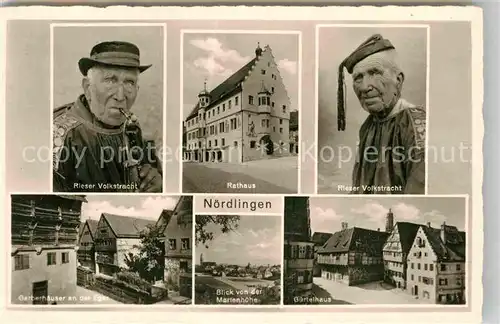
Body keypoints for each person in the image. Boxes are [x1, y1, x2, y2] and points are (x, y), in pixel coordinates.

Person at [53, 41, 162, 192]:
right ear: (87, 87)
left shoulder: (131, 127)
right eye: (110, 80)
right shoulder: (59, 135)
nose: (120, 96)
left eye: (129, 82)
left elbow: (151, 170)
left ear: (137, 88)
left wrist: (157, 182)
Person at [337, 34, 426, 194]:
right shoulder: (367, 127)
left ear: (398, 80)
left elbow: (420, 187)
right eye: (358, 78)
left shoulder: (415, 123)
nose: (365, 87)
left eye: (375, 73)